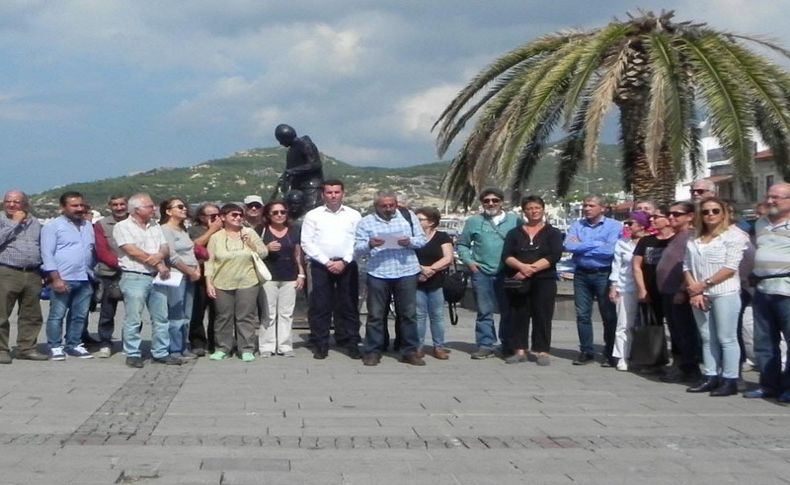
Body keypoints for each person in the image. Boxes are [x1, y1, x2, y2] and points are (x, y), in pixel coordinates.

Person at [683, 197, 749, 396]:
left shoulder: (734, 236)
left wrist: (703, 285)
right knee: (706, 336)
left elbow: (730, 268)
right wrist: (695, 290)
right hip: (699, 293)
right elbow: (686, 265)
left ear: (724, 213)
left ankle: (730, 378)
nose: (710, 215)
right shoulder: (694, 237)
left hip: (724, 292)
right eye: (705, 212)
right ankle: (710, 375)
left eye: (715, 211)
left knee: (726, 337)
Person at [355, 191, 427, 366]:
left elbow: (422, 240)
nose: (388, 209)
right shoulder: (366, 222)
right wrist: (370, 244)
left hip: (406, 270)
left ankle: (409, 350)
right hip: (378, 272)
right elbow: (358, 248)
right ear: (376, 206)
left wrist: (408, 242)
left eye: (391, 205)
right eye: (384, 206)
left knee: (408, 314)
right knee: (376, 315)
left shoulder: (408, 216)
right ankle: (373, 350)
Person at [114, 193, 181, 368]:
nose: (154, 209)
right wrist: (158, 263)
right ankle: (133, 352)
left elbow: (164, 246)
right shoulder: (123, 226)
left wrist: (159, 258)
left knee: (161, 317)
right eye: (150, 206)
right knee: (134, 317)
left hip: (156, 276)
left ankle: (160, 351)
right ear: (137, 209)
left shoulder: (154, 226)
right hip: (135, 275)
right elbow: (132, 250)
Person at [300, 180, 362, 360]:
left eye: (336, 192)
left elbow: (358, 240)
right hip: (321, 266)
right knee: (321, 306)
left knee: (349, 306)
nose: (333, 195)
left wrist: (345, 260)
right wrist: (327, 262)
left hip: (347, 265)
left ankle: (352, 343)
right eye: (329, 192)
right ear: (322, 195)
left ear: (343, 193)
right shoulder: (313, 215)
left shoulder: (354, 214)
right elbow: (306, 242)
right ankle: (321, 344)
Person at [456, 188, 520, 359]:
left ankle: (507, 344)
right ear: (482, 203)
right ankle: (485, 344)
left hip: (506, 272)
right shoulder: (474, 221)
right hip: (482, 272)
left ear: (502, 202)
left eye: (495, 200)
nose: (491, 203)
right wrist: (469, 262)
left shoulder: (514, 220)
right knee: (484, 310)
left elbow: (522, 242)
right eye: (487, 201)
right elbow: (462, 244)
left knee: (507, 310)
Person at [501, 196, 563, 365]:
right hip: (519, 280)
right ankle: (519, 350)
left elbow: (554, 255)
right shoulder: (514, 233)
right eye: (529, 208)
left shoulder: (553, 232)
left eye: (537, 208)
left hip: (544, 279)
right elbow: (507, 256)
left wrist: (530, 269)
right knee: (518, 314)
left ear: (543, 210)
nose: (533, 211)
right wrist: (522, 267)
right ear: (524, 211)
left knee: (542, 314)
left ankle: (542, 351)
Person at [204, 203, 268, 362]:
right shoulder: (215, 237)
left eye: (240, 215)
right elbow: (209, 261)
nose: (238, 218)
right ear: (223, 217)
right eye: (234, 215)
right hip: (222, 282)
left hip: (247, 281)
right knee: (223, 316)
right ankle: (223, 347)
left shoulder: (249, 232)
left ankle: (246, 348)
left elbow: (264, 252)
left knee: (246, 316)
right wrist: (209, 283)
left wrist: (251, 244)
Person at [745, 182, 790, 401]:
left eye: (777, 198)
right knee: (764, 341)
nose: (770, 201)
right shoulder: (760, 223)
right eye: (769, 196)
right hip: (763, 289)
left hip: (787, 289)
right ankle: (769, 385)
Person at [564, 194, 622, 366]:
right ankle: (586, 351)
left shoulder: (614, 226)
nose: (586, 208)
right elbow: (568, 246)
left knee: (608, 315)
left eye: (591, 205)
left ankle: (610, 351)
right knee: (582, 314)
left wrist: (582, 245)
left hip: (603, 273)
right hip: (581, 273)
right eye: (585, 205)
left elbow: (611, 251)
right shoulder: (577, 225)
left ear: (602, 208)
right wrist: (597, 244)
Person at [40, 191, 96, 361]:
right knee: (57, 314)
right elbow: (47, 254)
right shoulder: (53, 226)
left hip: (85, 276)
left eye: (81, 205)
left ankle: (74, 343)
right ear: (63, 207)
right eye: (74, 206)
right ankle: (55, 345)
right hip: (63, 277)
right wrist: (55, 278)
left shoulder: (88, 226)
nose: (79, 209)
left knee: (80, 314)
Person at [656, 201, 701, 383]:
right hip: (667, 291)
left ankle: (689, 368)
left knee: (685, 332)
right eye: (669, 214)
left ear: (690, 216)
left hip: (678, 292)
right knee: (675, 332)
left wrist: (683, 290)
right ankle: (681, 366)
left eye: (677, 214)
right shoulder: (677, 237)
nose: (671, 217)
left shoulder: (691, 236)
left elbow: (690, 266)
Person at [0, 191, 48, 363]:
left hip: (32, 272)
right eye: (8, 201)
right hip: (7, 271)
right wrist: (14, 223)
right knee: (2, 313)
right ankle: (1, 349)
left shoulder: (35, 222)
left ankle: (27, 348)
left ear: (25, 204)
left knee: (31, 314)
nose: (11, 205)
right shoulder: (2, 220)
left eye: (16, 202)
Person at [259, 200, 305, 357]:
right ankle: (267, 346)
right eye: (275, 212)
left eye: (282, 212)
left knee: (286, 313)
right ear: (268, 215)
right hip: (268, 276)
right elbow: (253, 252)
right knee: (268, 312)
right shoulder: (262, 230)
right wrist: (266, 248)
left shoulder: (293, 230)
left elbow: (297, 253)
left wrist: (301, 273)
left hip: (289, 275)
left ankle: (285, 345)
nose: (279, 215)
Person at [159, 198, 201, 360]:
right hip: (177, 275)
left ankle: (183, 345)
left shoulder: (182, 230)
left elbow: (190, 252)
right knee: (176, 313)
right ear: (168, 211)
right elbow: (171, 255)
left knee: (187, 313)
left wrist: (196, 268)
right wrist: (190, 271)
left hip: (190, 275)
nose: (184, 209)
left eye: (185, 206)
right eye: (180, 207)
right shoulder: (165, 229)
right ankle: (175, 348)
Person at [609, 211, 651, 371]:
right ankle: (622, 356)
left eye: (630, 223)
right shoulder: (622, 243)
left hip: (648, 287)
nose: (627, 226)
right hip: (626, 286)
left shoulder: (650, 242)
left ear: (641, 225)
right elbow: (617, 265)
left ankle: (646, 357)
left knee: (646, 324)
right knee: (624, 324)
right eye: (626, 223)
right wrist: (614, 286)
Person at [414, 207, 454, 359]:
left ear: (431, 222)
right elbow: (408, 257)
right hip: (417, 281)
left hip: (436, 281)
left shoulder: (442, 237)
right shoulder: (413, 237)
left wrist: (431, 269)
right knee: (419, 316)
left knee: (437, 316)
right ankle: (418, 346)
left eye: (420, 219)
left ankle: (439, 346)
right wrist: (421, 269)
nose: (417, 222)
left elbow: (448, 258)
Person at [91, 194, 128, 358]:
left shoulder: (135, 221)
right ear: (110, 206)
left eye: (122, 204)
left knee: (133, 310)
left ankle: (129, 342)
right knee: (107, 310)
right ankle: (105, 341)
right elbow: (102, 250)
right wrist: (120, 263)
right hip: (109, 273)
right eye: (115, 205)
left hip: (133, 272)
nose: (119, 208)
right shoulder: (102, 224)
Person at [188, 203, 222, 356]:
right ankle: (197, 341)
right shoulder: (194, 230)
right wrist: (212, 230)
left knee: (218, 312)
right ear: (202, 217)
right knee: (198, 311)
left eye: (217, 215)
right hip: (200, 275)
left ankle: (215, 341)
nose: (216, 218)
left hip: (220, 275)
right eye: (212, 216)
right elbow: (195, 245)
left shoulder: (225, 229)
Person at [633, 207, 674, 327]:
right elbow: (636, 266)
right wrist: (642, 290)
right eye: (651, 217)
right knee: (653, 328)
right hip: (650, 291)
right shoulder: (645, 241)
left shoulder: (677, 240)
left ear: (667, 220)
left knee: (677, 329)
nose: (651, 219)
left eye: (656, 217)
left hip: (672, 291)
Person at [274, 124, 324, 218]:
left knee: (311, 214)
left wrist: (292, 171)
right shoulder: (291, 150)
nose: (280, 143)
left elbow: (315, 164)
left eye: (281, 140)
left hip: (311, 187)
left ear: (287, 137)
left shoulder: (305, 144)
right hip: (298, 188)